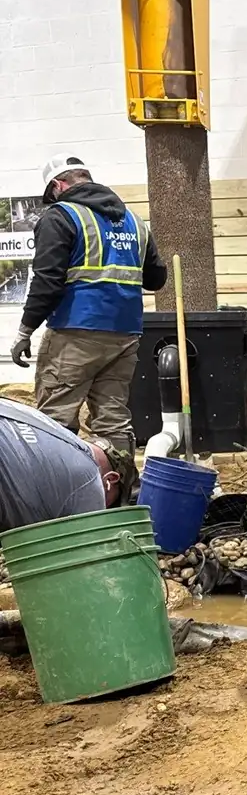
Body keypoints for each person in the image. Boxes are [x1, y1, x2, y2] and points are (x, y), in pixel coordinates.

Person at [9, 152, 167, 478]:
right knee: (113, 419)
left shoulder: (60, 216)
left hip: (75, 331)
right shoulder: (134, 221)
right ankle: (121, 492)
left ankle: (60, 492)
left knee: (55, 418)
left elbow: (47, 281)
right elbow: (156, 279)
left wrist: (25, 331)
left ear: (58, 185)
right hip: (125, 334)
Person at [0, 397, 123, 532]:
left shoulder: (46, 424)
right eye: (108, 504)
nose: (102, 508)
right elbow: (87, 538)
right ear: (110, 480)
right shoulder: (90, 478)